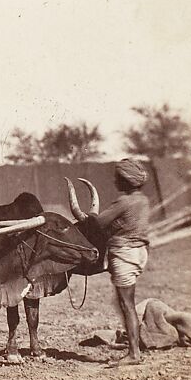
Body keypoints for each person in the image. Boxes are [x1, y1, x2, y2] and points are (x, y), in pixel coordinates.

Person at [82, 157, 151, 367]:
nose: (114, 181)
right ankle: (134, 344)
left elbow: (98, 223)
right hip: (138, 253)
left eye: (117, 178)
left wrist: (89, 216)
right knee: (123, 303)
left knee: (126, 305)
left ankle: (134, 353)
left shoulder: (124, 202)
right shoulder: (143, 200)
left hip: (125, 254)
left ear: (125, 180)